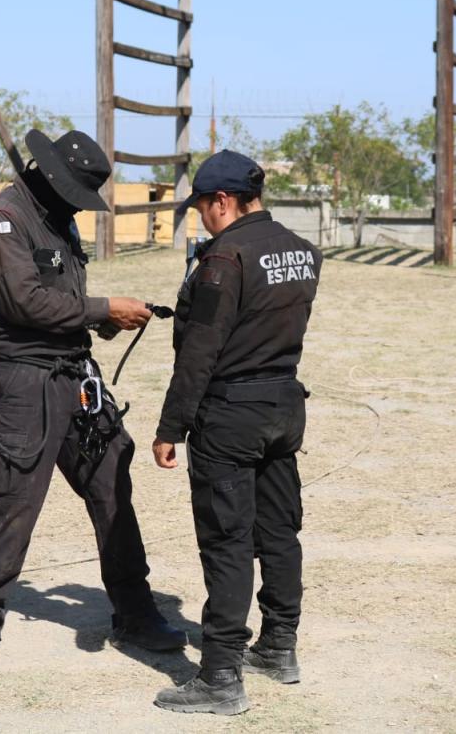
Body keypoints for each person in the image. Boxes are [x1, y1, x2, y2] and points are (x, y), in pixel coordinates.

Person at [0, 128, 187, 675]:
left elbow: (61, 299)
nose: (77, 203)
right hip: (24, 383)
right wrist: (103, 308)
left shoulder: (59, 218)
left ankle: (135, 612)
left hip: (76, 375)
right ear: (50, 175)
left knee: (112, 488)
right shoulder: (0, 220)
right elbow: (24, 302)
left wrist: (103, 322)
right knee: (13, 501)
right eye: (73, 192)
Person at [150, 150, 321, 715]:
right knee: (279, 531)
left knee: (227, 541)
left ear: (222, 201)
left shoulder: (226, 258)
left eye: (201, 206)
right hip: (283, 405)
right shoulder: (302, 250)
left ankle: (220, 675)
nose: (200, 217)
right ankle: (278, 646)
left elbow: (198, 352)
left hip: (230, 414)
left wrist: (170, 427)